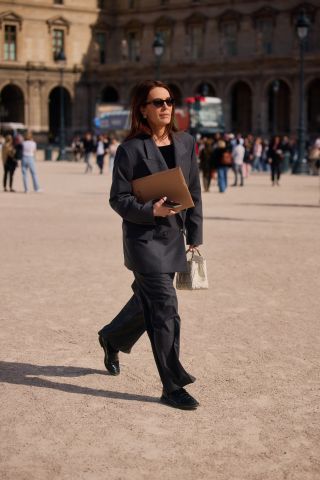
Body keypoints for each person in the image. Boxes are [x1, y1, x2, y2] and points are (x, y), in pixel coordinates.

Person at [98, 80, 203, 410]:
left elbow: (195, 193)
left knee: (149, 304)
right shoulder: (130, 149)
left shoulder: (186, 143)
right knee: (165, 308)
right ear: (142, 109)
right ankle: (172, 386)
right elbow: (119, 199)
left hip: (173, 237)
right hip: (144, 240)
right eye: (157, 102)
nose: (165, 107)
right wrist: (150, 210)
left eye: (169, 100)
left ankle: (112, 337)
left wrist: (195, 237)